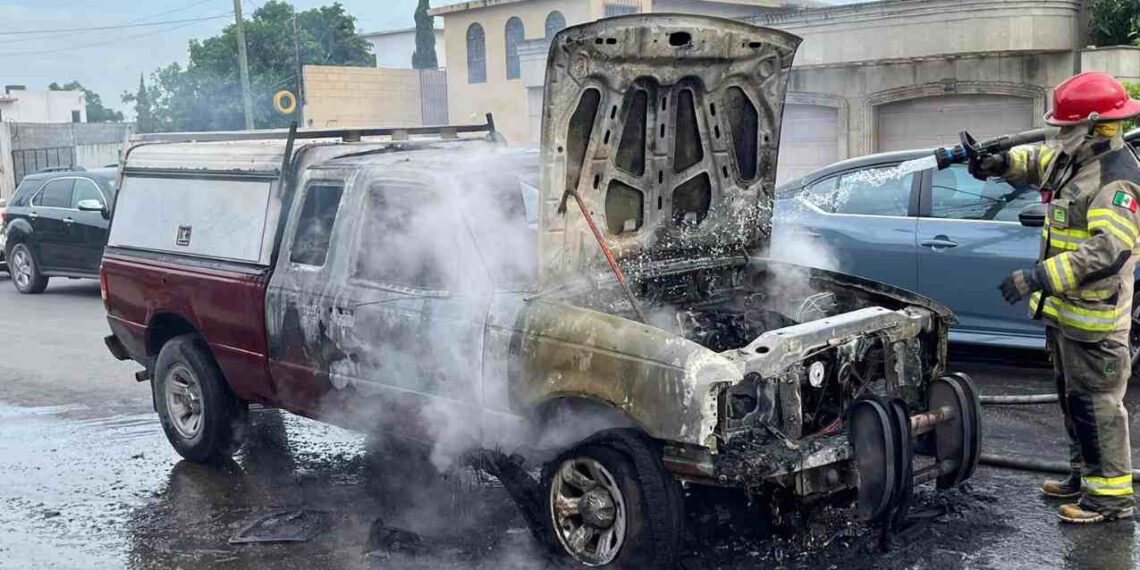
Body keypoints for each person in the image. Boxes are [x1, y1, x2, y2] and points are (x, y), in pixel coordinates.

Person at [972, 71, 1140, 524]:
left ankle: (1110, 500)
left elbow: (1110, 251)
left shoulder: (1114, 179)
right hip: (1069, 316)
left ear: (1093, 125)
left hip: (1096, 320)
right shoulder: (1078, 158)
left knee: (1099, 407)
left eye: (1066, 127)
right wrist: (997, 163)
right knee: (1073, 400)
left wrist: (1039, 276)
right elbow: (1036, 160)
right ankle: (1083, 477)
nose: (1059, 135)